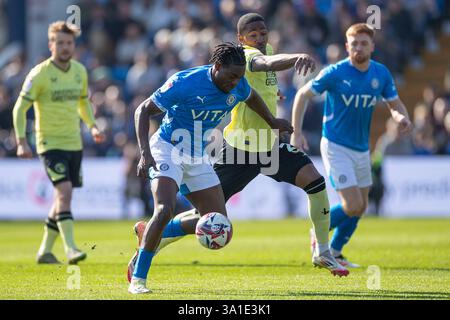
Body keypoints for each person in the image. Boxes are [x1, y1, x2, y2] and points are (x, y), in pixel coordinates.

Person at [129, 13, 349, 281]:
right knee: (207, 216)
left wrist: (273, 104)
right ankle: (155, 235)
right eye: (252, 35)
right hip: (239, 150)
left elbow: (254, 91)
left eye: (263, 33)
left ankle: (323, 250)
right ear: (241, 39)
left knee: (315, 183)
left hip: (268, 145)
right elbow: (264, 64)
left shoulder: (262, 52)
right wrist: (296, 58)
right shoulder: (245, 56)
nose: (259, 39)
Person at [128, 42, 294, 294]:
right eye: (231, 76)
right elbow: (143, 110)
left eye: (239, 77)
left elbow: (251, 97)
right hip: (167, 148)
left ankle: (149, 233)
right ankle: (139, 280)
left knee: (218, 222)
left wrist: (272, 121)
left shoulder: (238, 84)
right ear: (216, 67)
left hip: (196, 156)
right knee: (164, 210)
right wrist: (144, 153)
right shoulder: (185, 81)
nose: (234, 82)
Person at [290, 23, 413, 267]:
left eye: (363, 43)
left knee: (362, 206)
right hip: (336, 146)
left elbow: (395, 104)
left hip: (361, 148)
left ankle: (335, 251)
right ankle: (318, 231)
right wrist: (296, 133)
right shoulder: (335, 73)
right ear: (347, 46)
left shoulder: (381, 74)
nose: (358, 47)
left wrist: (401, 117)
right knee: (352, 204)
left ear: (372, 47)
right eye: (353, 43)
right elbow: (302, 95)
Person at [12, 21, 105, 265]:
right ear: (51, 44)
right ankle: (71, 248)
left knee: (61, 198)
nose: (65, 47)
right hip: (49, 142)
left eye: (69, 43)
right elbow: (19, 108)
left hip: (74, 142)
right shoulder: (39, 74)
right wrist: (21, 141)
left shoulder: (79, 72)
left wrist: (93, 125)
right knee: (63, 192)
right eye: (60, 43)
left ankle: (44, 251)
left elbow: (83, 103)